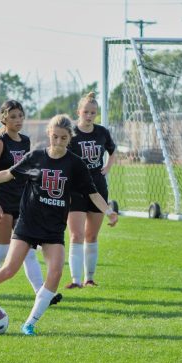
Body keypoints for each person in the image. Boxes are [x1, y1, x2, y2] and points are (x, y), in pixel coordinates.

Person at [0, 114, 118, 336]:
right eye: (54, 137)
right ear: (49, 134)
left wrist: (109, 212)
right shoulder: (36, 157)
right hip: (29, 223)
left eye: (63, 138)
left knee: (55, 272)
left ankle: (29, 323)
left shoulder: (75, 164)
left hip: (53, 227)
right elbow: (7, 174)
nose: (58, 142)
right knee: (9, 269)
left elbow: (93, 194)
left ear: (69, 139)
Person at [0, 100, 62, 306]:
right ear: (4, 118)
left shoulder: (25, 141)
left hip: (22, 204)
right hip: (2, 202)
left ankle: (43, 294)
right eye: (13, 116)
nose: (18, 120)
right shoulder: (0, 142)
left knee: (30, 253)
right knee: (0, 251)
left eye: (20, 116)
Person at [65, 92, 117, 289]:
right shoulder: (71, 133)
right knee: (76, 235)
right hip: (75, 189)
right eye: (86, 111)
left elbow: (112, 151)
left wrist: (107, 167)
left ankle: (90, 278)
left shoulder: (102, 132)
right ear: (79, 112)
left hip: (98, 187)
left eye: (93, 112)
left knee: (91, 236)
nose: (89, 115)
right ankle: (75, 280)